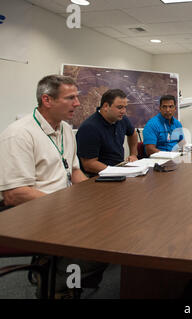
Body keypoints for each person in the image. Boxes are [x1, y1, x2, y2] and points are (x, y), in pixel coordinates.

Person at [0, 75, 107, 298]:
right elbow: (14, 194)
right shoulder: (19, 134)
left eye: (76, 97)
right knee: (98, 244)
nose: (77, 103)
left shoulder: (66, 129)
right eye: (70, 98)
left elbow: (75, 172)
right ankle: (57, 286)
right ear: (47, 100)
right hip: (28, 213)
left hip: (62, 208)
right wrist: (69, 207)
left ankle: (66, 279)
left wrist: (95, 197)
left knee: (112, 228)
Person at [76, 89, 138, 175]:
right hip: (97, 176)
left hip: (117, 169)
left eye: (125, 107)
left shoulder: (122, 119)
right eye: (119, 107)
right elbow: (89, 164)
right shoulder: (89, 128)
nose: (123, 111)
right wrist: (116, 171)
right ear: (105, 106)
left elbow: (133, 134)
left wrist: (133, 154)